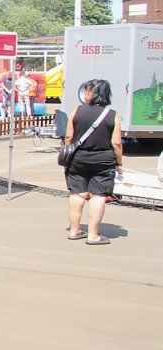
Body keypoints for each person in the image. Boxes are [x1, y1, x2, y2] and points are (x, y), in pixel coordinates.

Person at [65, 79, 122, 245]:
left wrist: (69, 152)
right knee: (98, 195)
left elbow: (69, 136)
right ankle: (93, 235)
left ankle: (75, 230)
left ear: (91, 93)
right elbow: (116, 144)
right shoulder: (112, 115)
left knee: (77, 193)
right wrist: (119, 163)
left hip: (77, 158)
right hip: (103, 160)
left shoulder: (77, 110)